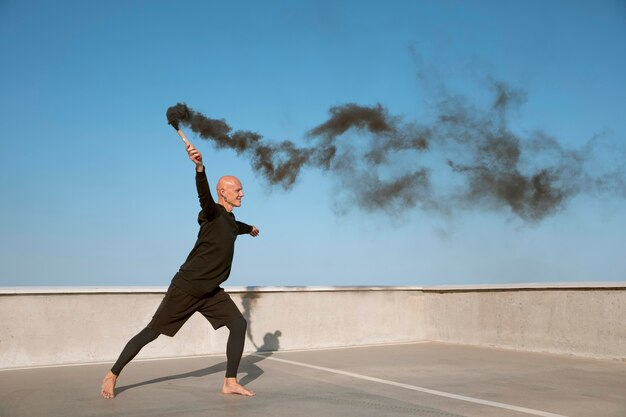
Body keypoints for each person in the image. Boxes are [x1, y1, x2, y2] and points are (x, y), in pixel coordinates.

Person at [101, 143, 259, 399]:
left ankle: (230, 381)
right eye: (238, 190)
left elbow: (235, 226)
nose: (242, 194)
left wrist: (250, 228)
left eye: (241, 190)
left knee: (238, 324)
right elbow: (204, 196)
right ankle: (112, 374)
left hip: (211, 292)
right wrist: (199, 168)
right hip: (187, 287)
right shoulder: (211, 213)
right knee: (152, 332)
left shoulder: (230, 221)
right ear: (223, 192)